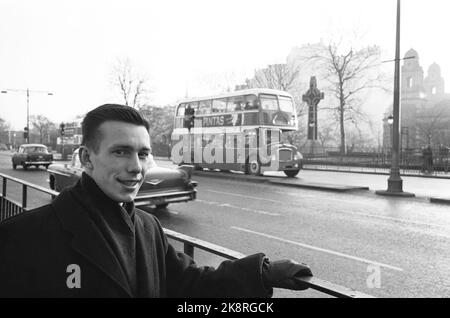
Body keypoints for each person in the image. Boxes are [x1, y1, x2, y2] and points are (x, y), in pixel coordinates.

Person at [0, 104, 312, 298]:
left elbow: (189, 283)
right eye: (120, 151)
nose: (136, 167)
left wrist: (261, 273)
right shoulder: (22, 236)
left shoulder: (148, 227)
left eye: (143, 153)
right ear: (86, 158)